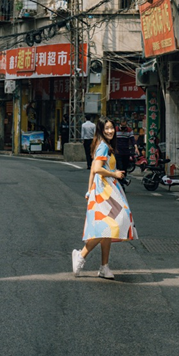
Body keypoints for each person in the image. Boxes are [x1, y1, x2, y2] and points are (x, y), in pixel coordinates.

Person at [72, 118, 137, 280]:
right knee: (108, 225)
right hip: (104, 192)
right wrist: (114, 174)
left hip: (106, 190)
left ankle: (104, 267)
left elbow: (92, 172)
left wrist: (88, 190)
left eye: (111, 128)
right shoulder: (103, 146)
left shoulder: (104, 145)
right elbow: (97, 169)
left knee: (107, 228)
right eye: (106, 128)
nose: (110, 131)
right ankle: (81, 255)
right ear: (101, 130)